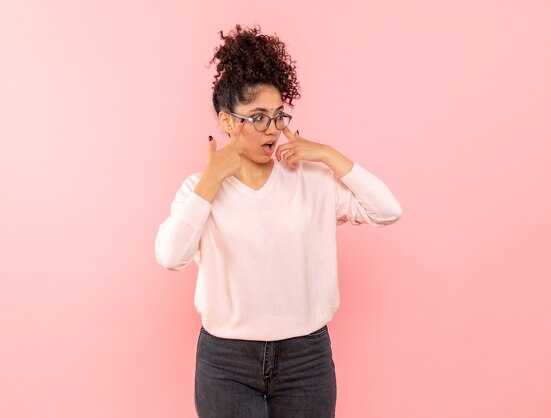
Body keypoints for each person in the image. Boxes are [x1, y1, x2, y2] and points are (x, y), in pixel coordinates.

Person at [154, 24, 403, 418]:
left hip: (306, 359)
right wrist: (212, 180)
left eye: (278, 116)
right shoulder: (198, 190)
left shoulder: (312, 180)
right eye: (258, 118)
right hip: (226, 362)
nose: (272, 130)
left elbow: (387, 210)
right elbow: (170, 256)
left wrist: (327, 154)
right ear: (227, 121)